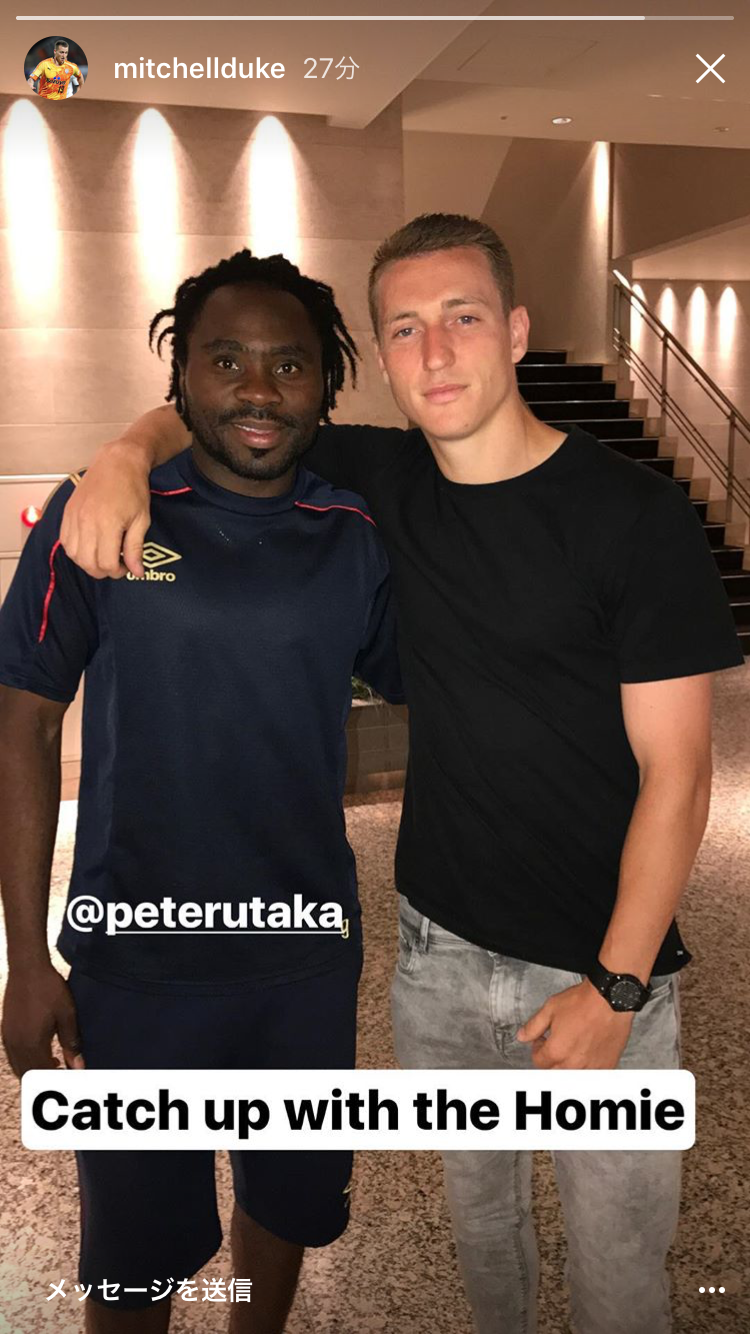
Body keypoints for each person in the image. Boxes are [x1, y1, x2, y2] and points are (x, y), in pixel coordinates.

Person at [57, 214, 744, 1334]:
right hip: (439, 957)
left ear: (515, 330)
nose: (436, 352)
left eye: (463, 318)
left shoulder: (634, 515)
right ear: (378, 355)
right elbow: (223, 401)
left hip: (601, 958)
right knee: (485, 1249)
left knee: (622, 1280)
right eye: (407, 328)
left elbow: (681, 773)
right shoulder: (380, 473)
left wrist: (617, 988)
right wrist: (124, 455)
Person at [0, 249, 402, 1333]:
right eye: (227, 360)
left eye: (289, 364)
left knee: (287, 1206)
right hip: (137, 962)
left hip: (303, 956)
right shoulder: (105, 519)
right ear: (180, 376)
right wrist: (26, 958)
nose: (259, 389)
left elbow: (440, 683)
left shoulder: (355, 535)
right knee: (133, 1254)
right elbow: (22, 725)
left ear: (329, 382)